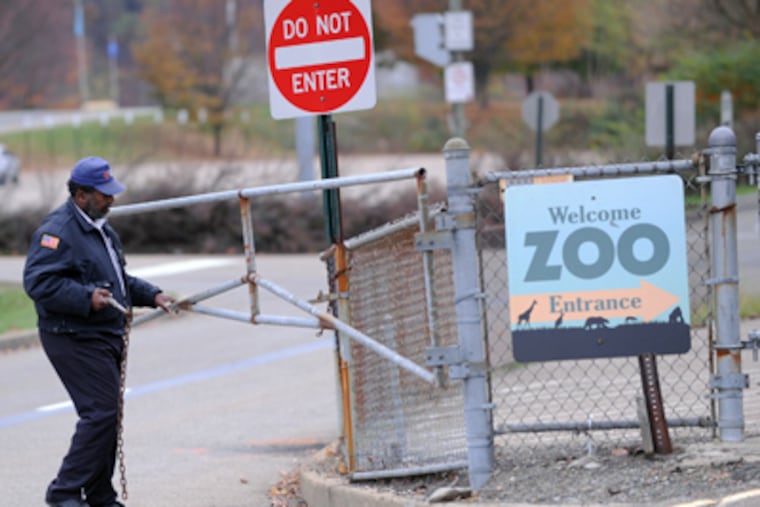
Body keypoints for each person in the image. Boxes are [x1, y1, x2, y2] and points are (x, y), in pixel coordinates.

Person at [23, 156, 177, 507]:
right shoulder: (57, 231)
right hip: (72, 335)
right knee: (101, 412)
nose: (112, 199)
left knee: (108, 414)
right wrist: (85, 297)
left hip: (103, 334)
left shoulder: (102, 229)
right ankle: (63, 492)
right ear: (81, 196)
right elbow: (39, 283)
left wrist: (152, 294)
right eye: (104, 194)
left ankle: (99, 494)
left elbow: (119, 280)